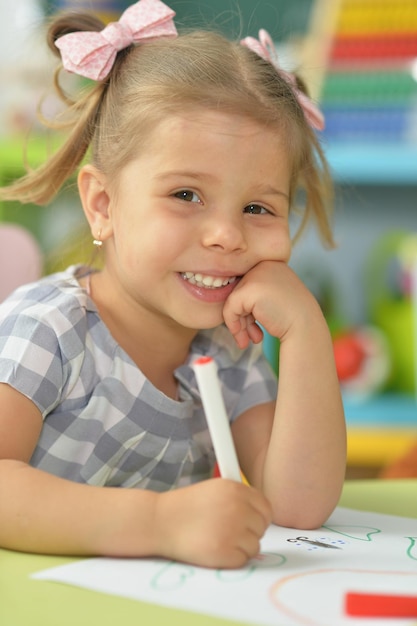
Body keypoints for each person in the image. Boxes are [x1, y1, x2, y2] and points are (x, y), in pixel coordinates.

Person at [0, 0, 346, 568]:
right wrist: (159, 524)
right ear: (104, 205)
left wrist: (307, 332)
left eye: (258, 207)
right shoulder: (49, 331)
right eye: (185, 195)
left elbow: (299, 506)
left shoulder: (230, 351)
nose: (226, 235)